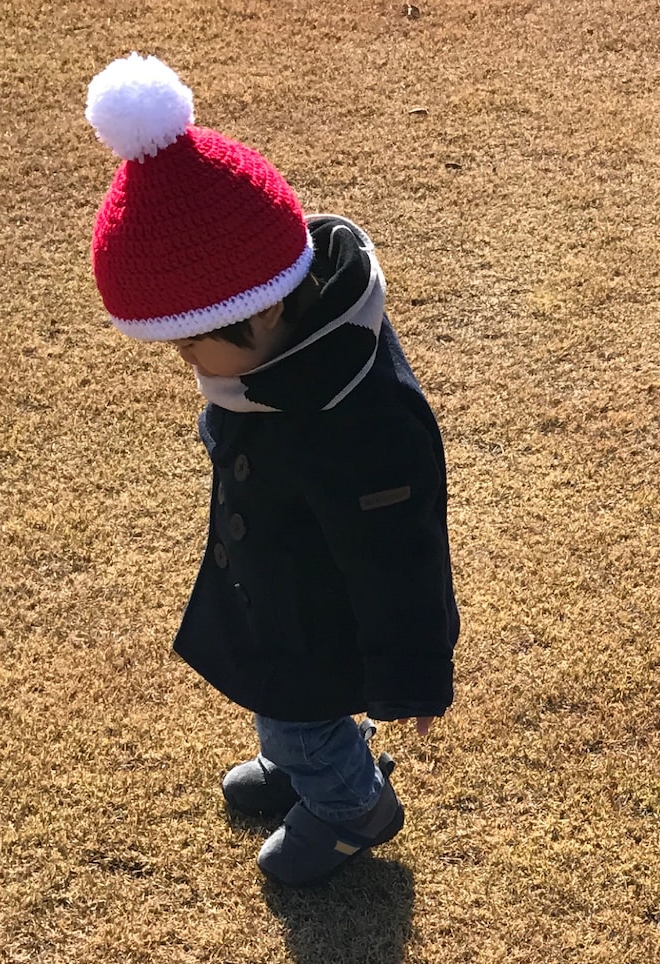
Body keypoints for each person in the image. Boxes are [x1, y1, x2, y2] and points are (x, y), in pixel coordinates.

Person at [85, 53, 459, 887]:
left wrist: (413, 677)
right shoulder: (268, 365)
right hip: (277, 589)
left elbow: (402, 560)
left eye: (191, 342)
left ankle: (350, 804)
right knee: (277, 695)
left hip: (319, 612)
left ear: (262, 309)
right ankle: (303, 759)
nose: (185, 362)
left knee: (297, 707)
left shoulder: (358, 422)